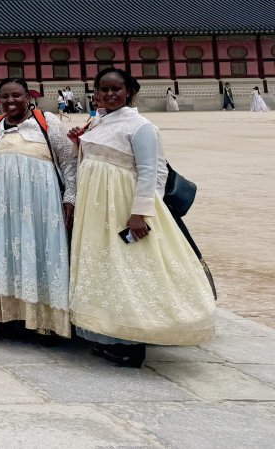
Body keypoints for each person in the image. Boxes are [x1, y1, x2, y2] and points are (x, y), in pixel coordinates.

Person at [67, 68, 215, 367]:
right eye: (104, 89)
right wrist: (79, 144)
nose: (110, 94)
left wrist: (141, 213)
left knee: (128, 267)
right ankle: (109, 334)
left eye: (116, 89)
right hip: (97, 208)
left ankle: (132, 344)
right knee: (105, 266)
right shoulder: (98, 120)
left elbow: (152, 171)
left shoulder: (141, 126)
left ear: (129, 90)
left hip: (121, 206)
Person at [0, 78, 78, 337]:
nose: (11, 101)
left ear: (28, 96)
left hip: (39, 207)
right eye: (5, 96)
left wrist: (70, 198)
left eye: (17, 96)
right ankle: (10, 315)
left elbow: (69, 162)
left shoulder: (46, 123)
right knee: (6, 254)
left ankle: (46, 322)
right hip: (2, 209)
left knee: (40, 253)